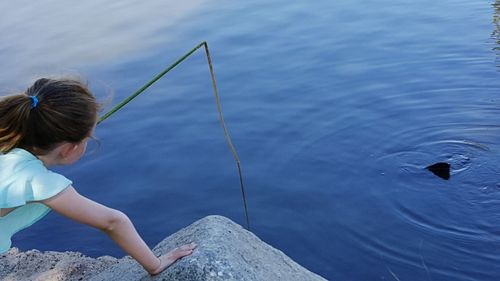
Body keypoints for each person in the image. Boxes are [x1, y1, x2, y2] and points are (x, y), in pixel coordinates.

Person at [0, 78, 196, 275]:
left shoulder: (6, 154)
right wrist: (156, 264)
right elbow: (113, 222)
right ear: (69, 149)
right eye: (88, 139)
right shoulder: (40, 182)